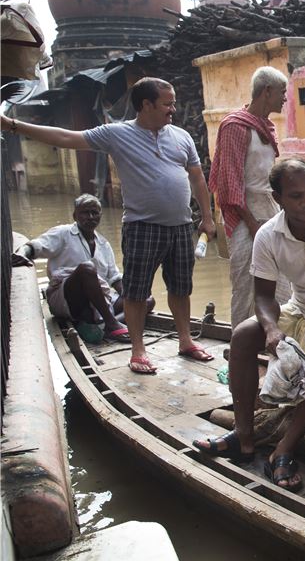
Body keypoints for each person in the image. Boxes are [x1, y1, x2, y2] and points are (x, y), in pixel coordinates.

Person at [1, 78, 217, 374]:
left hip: (181, 226)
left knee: (181, 288)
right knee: (136, 291)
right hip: (142, 226)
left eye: (174, 103)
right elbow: (66, 138)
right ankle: (138, 350)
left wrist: (207, 216)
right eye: (167, 104)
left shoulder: (181, 136)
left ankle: (185, 340)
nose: (173, 109)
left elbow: (197, 177)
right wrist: (12, 125)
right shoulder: (117, 133)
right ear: (146, 105)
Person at [194, 158, 305, 494]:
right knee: (242, 335)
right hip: (298, 310)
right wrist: (271, 329)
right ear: (277, 198)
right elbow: (263, 297)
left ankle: (284, 448)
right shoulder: (267, 236)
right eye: (296, 197)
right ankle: (244, 436)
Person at [208, 66, 290, 327]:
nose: (285, 98)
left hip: (270, 210)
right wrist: (253, 223)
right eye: (282, 92)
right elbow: (230, 183)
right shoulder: (235, 125)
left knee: (282, 283)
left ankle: (280, 342)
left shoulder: (265, 126)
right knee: (245, 285)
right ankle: (240, 352)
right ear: (267, 92)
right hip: (245, 216)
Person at [12, 194, 154, 342]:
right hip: (68, 300)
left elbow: (114, 278)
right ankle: (112, 323)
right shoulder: (63, 233)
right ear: (75, 215)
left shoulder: (103, 244)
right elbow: (36, 247)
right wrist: (22, 253)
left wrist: (130, 297)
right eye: (85, 212)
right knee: (87, 269)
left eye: (95, 212)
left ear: (100, 215)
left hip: (97, 304)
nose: (91, 217)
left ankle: (103, 327)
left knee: (147, 300)